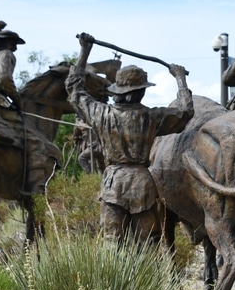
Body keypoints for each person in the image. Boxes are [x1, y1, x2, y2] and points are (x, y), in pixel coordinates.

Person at [69, 33, 194, 243]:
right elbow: (185, 112)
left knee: (112, 243)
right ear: (140, 92)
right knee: (147, 244)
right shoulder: (152, 117)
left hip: (112, 185)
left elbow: (74, 91)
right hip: (142, 185)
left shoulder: (101, 114)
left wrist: (84, 52)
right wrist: (180, 79)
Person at [0, 20, 52, 196]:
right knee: (34, 140)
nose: (15, 48)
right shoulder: (6, 55)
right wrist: (17, 99)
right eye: (14, 43)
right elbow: (5, 79)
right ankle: (36, 189)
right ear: (6, 43)